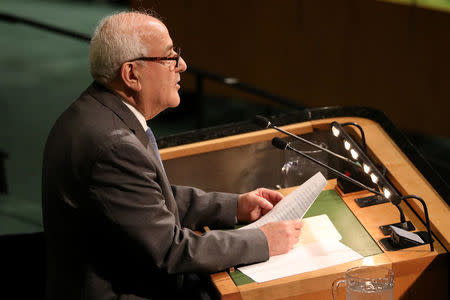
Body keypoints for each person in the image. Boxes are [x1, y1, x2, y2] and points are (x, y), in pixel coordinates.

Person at [42, 11, 303, 300]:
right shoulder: (112, 145)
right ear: (131, 74)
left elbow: (146, 199)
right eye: (169, 57)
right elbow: (169, 249)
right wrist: (263, 241)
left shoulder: (97, 112)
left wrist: (234, 206)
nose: (182, 65)